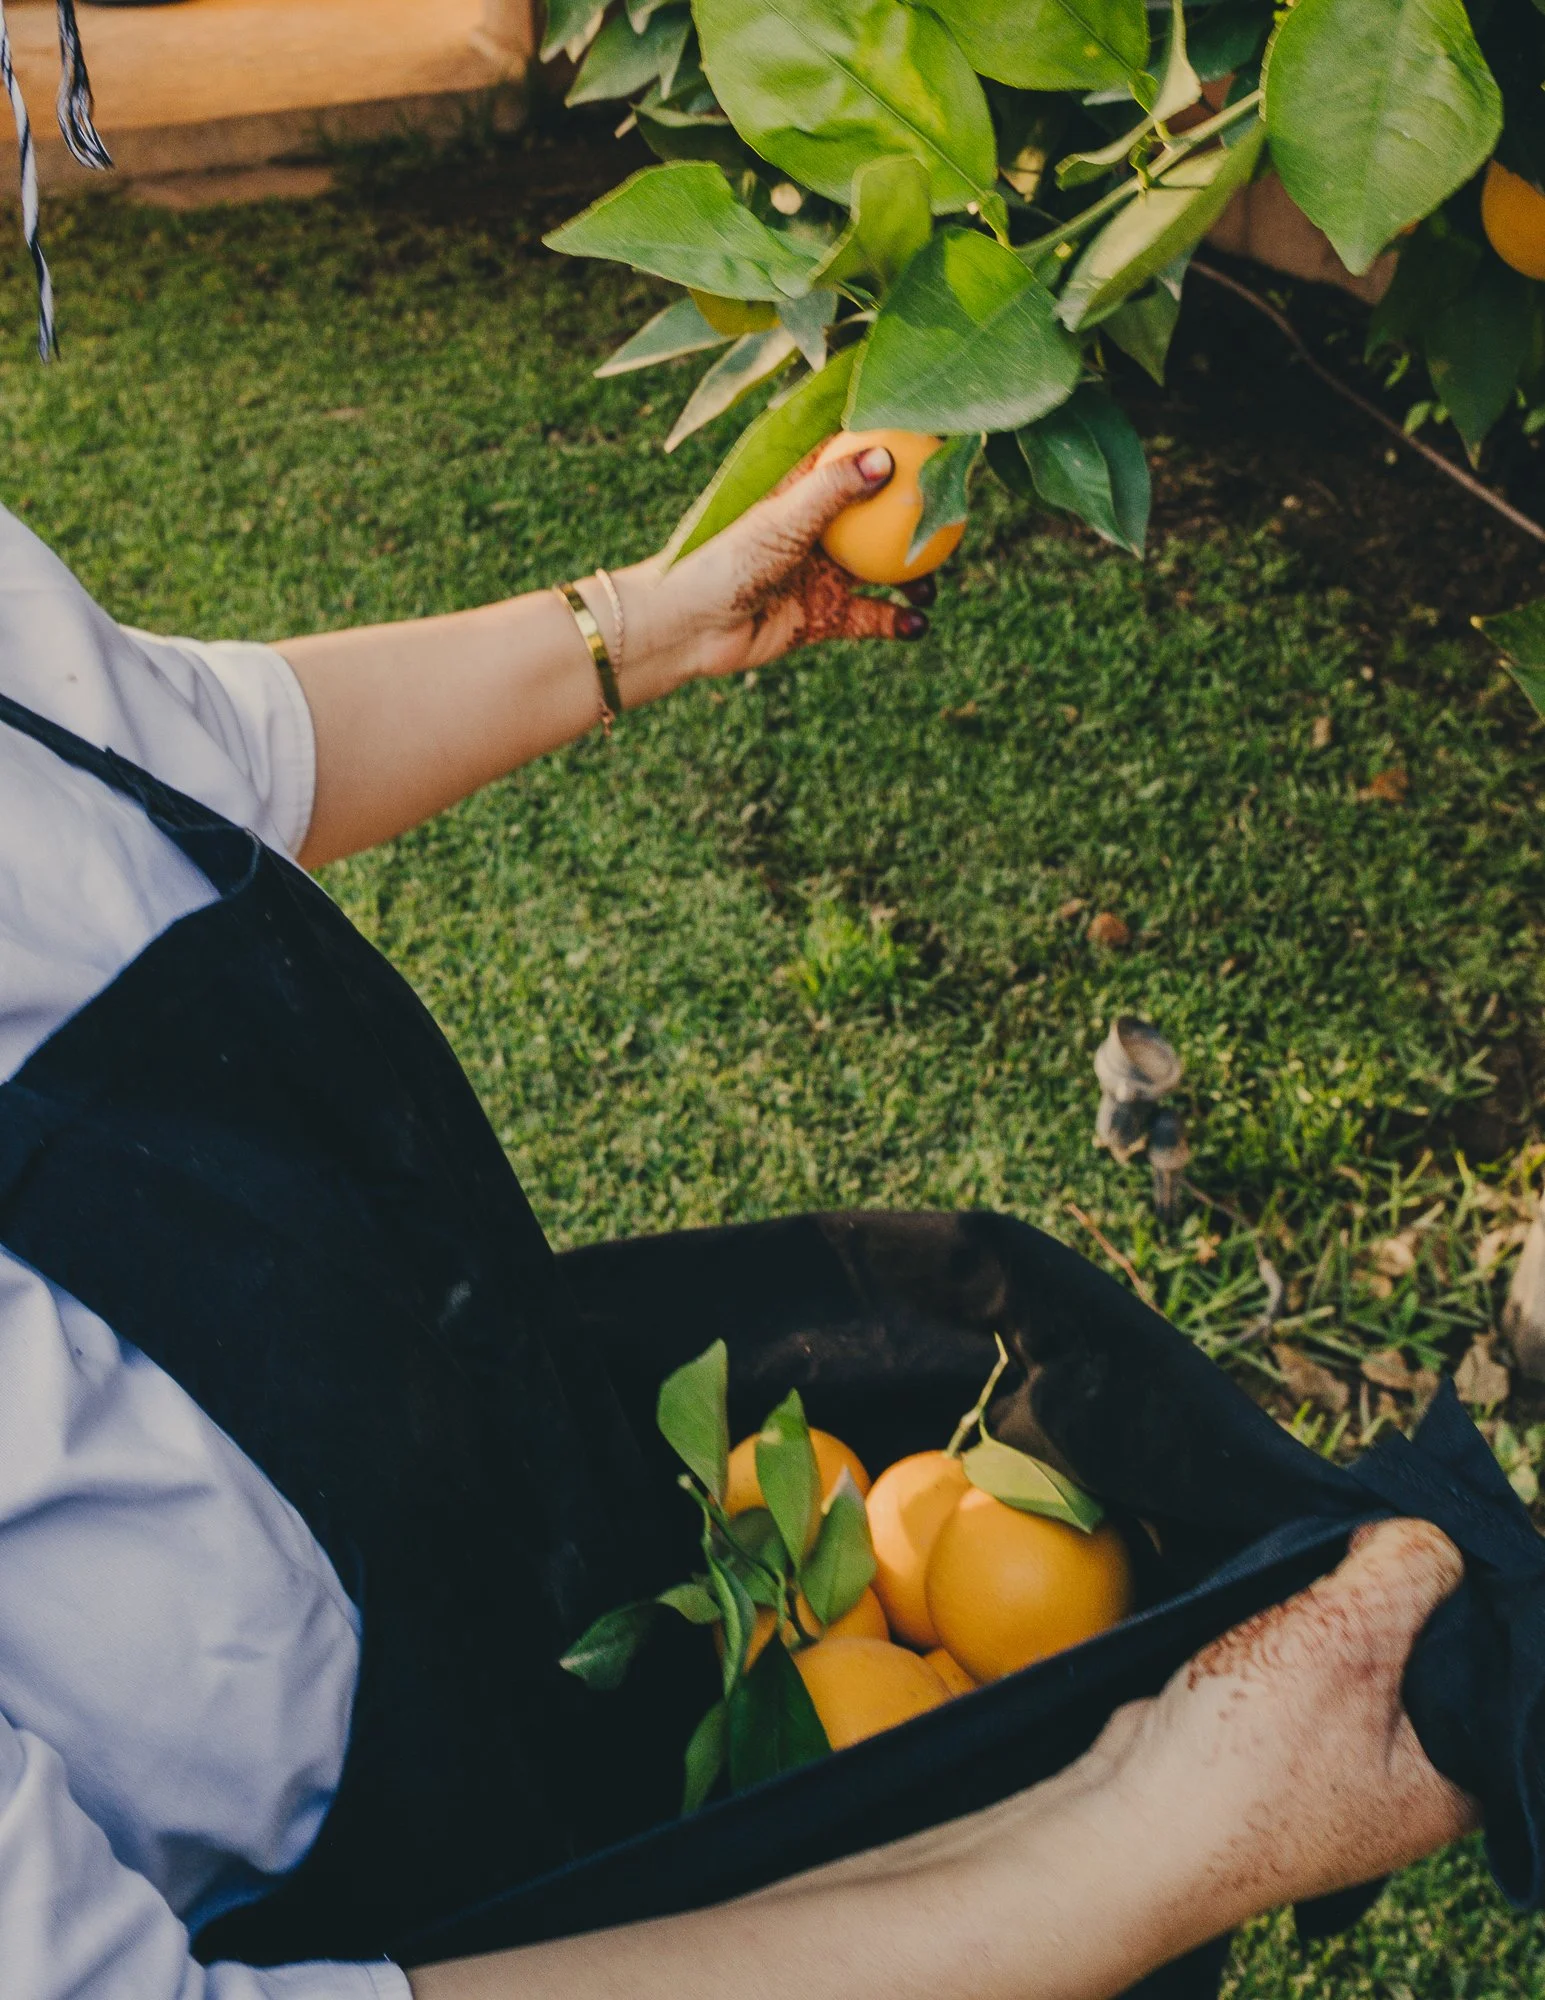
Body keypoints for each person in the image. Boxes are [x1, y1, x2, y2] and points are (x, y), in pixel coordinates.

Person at [0, 442, 1473, 2000]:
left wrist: (655, 620)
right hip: (381, 1899)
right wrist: (1140, 1840)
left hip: (531, 1551)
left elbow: (173, 746)